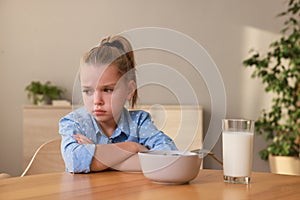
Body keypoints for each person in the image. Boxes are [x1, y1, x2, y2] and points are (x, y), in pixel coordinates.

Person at [59, 35, 178, 173]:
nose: (97, 100)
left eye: (107, 90)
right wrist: (132, 148)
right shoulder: (74, 123)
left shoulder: (139, 123)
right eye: (88, 91)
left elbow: (168, 156)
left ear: (129, 90)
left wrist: (98, 156)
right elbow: (75, 161)